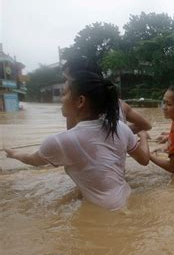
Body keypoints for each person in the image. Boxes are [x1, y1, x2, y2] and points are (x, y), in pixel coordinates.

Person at [5, 71, 150, 210]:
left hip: (104, 215)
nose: (61, 99)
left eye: (64, 93)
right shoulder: (121, 128)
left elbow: (33, 160)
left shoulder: (60, 141)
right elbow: (144, 160)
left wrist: (14, 154)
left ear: (80, 101)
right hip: (128, 199)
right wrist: (142, 136)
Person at [62, 56, 152, 134]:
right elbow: (146, 125)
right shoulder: (120, 104)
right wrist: (121, 134)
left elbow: (72, 147)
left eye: (68, 79)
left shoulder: (76, 110)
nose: (65, 83)